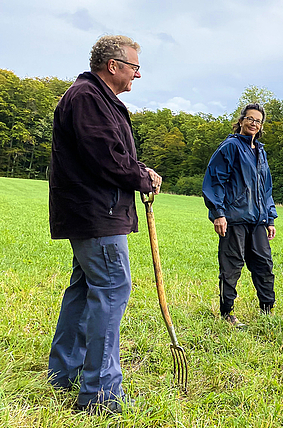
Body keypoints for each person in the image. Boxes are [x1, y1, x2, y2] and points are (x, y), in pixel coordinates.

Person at [48, 35, 162, 414]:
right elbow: (106, 158)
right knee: (112, 290)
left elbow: (109, 155)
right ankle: (100, 393)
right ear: (112, 65)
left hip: (93, 213)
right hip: (97, 214)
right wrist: (143, 177)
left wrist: (140, 170)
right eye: (134, 67)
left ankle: (63, 373)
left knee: (84, 290)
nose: (138, 74)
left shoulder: (95, 98)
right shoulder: (87, 98)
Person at [202, 103, 277, 329]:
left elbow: (266, 189)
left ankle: (267, 309)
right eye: (250, 119)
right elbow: (215, 180)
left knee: (264, 264)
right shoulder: (230, 147)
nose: (254, 123)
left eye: (258, 121)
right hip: (234, 218)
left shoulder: (260, 152)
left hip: (257, 221)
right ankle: (227, 312)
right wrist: (218, 213)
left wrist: (270, 217)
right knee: (231, 266)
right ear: (241, 121)